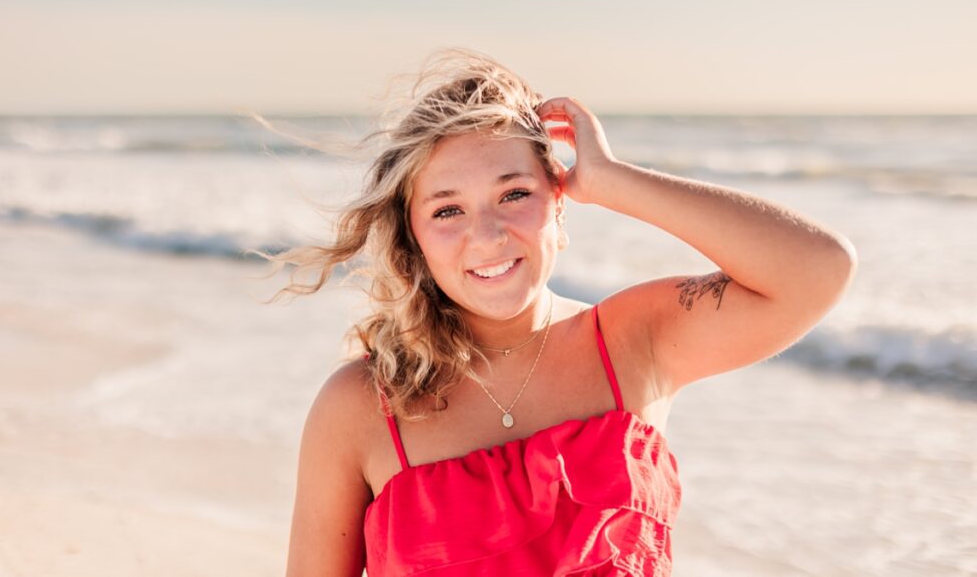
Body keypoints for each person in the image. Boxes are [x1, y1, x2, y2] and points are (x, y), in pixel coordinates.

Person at [274, 48, 857, 575]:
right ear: (414, 236)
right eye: (448, 211)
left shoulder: (635, 341)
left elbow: (817, 269)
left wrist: (609, 180)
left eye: (514, 194)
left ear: (557, 201)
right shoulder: (363, 406)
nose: (488, 236)